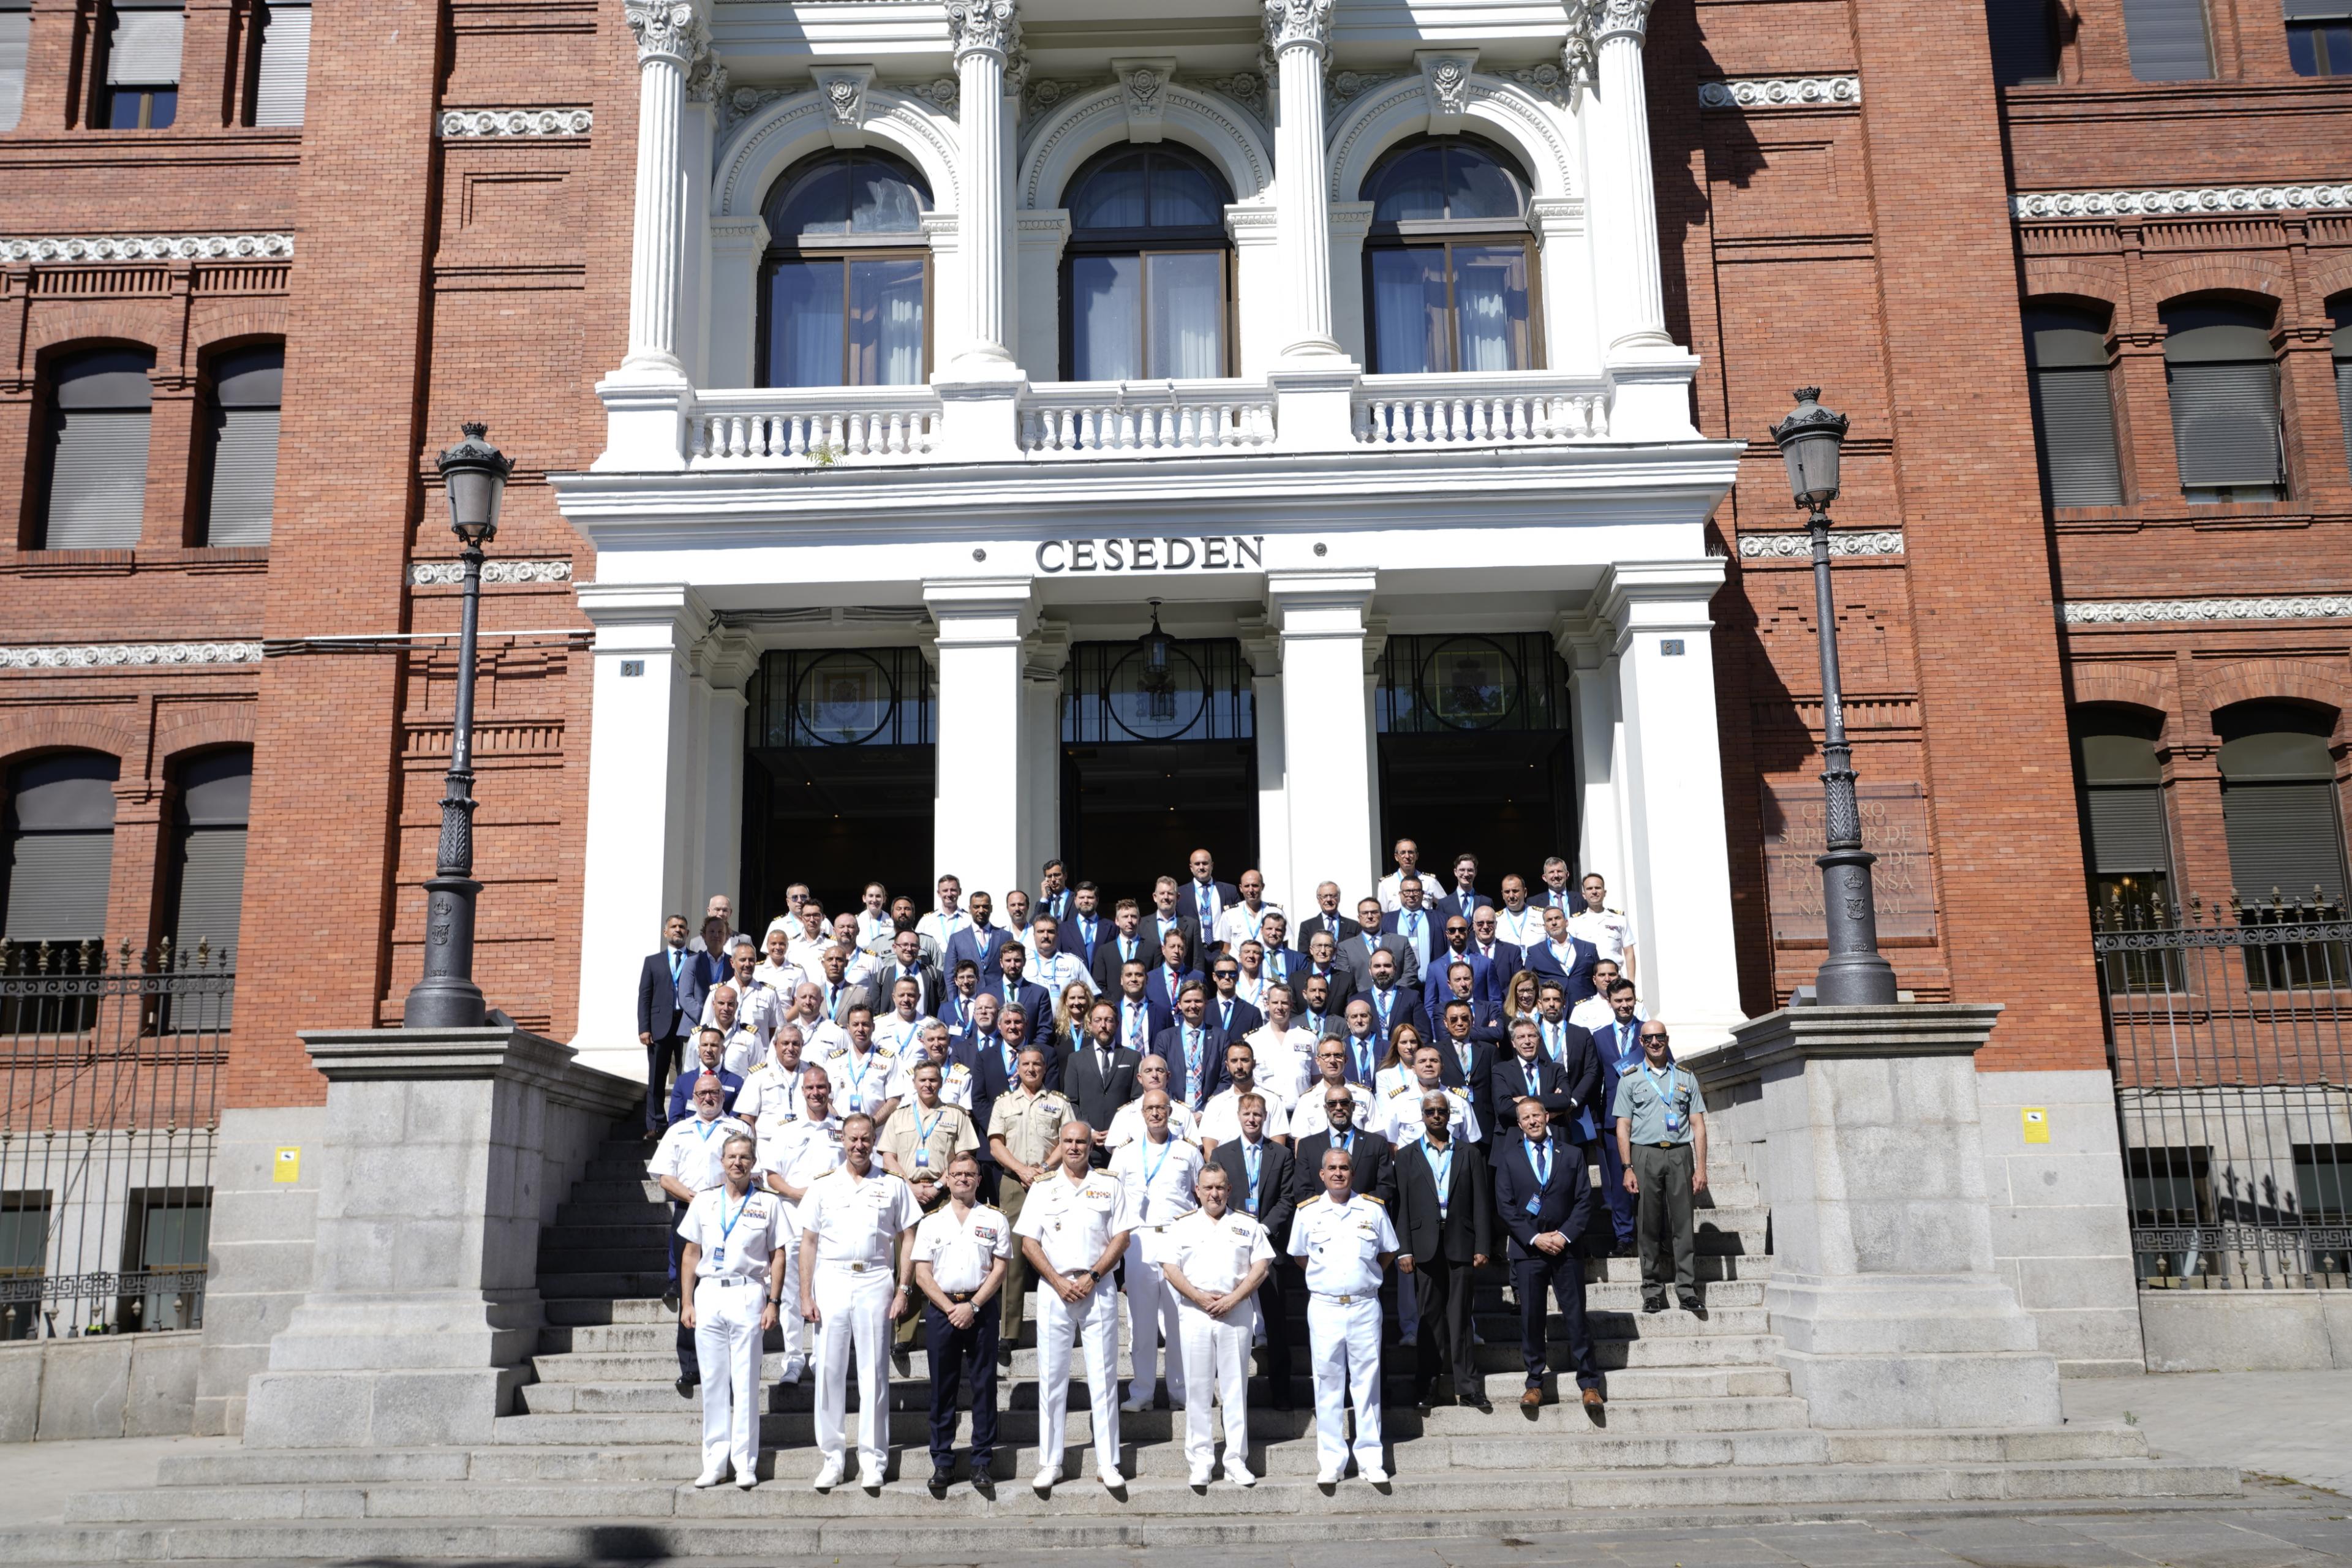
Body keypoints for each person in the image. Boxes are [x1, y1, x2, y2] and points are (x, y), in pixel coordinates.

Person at [797, 1111, 921, 1493]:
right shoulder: (823, 1186)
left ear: (874, 1140)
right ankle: (833, 1458)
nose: (859, 1145)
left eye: (866, 1138)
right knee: (829, 1372)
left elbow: (910, 1236)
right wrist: (805, 1294)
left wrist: (904, 1289)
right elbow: (809, 1242)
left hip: (875, 1278)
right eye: (852, 1139)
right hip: (832, 1279)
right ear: (842, 1140)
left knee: (874, 1374)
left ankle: (873, 1459)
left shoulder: (893, 1185)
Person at [1014, 1120, 1136, 1496]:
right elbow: (1029, 1243)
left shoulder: (1109, 1185)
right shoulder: (1042, 1187)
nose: (1074, 1147)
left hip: (1097, 1287)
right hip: (1055, 1289)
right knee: (1052, 1379)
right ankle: (1050, 1462)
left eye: (1081, 1141)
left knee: (1104, 1377)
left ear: (1090, 1146)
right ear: (1060, 1144)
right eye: (1067, 1141)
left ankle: (1108, 1462)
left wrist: (1094, 1276)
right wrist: (1057, 1280)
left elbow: (1122, 1237)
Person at [676, 1131, 782, 1488]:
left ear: (753, 1163)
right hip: (709, 1293)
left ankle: (745, 1462)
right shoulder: (704, 1201)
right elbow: (691, 1254)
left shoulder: (768, 1204)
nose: (738, 1163)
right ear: (722, 1162)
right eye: (732, 1157)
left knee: (746, 1382)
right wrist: (687, 1301)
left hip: (747, 1292)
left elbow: (778, 1255)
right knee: (713, 1382)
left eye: (744, 1157)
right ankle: (714, 1461)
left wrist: (774, 1301)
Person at [1161, 1163, 1275, 1487]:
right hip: (1196, 1314)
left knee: (1235, 1389)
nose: (1214, 1194)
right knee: (1197, 1389)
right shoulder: (1182, 1226)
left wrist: (1233, 1299)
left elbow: (1261, 1267)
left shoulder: (1247, 1225)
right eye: (1208, 1187)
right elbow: (1170, 1268)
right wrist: (1199, 1297)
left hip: (1235, 1313)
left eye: (1220, 1187)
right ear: (1197, 1190)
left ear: (1229, 1190)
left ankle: (1236, 1460)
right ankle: (1200, 1461)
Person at [1291, 1144, 1398, 1485]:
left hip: (1365, 1306)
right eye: (1333, 1169)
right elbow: (1300, 1256)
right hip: (1325, 1307)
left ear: (1353, 1173)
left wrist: (1364, 1278)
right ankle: (1331, 1461)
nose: (1339, 1173)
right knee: (1327, 1384)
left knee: (1367, 1383)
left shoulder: (1373, 1210)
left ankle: (1370, 1459)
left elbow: (1387, 1252)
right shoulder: (1308, 1212)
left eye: (1345, 1168)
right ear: (1322, 1175)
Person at [1494, 1095, 1605, 1416]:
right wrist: (1535, 1238)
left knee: (1576, 1316)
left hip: (1566, 1248)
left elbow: (1584, 1200)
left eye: (1536, 1115)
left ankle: (1589, 1383)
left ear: (1546, 1116)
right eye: (1525, 1118)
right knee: (1531, 1319)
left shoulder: (1571, 1154)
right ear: (1519, 1124)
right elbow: (1505, 1206)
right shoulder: (1509, 1158)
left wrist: (1564, 1235)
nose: (1532, 1121)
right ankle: (1534, 1383)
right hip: (1529, 1250)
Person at [911, 1149, 1012, 1498]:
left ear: (979, 1180)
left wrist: (973, 1305)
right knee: (943, 1388)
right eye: (957, 1174)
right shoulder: (931, 1222)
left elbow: (1001, 1268)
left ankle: (982, 1461)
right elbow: (922, 1274)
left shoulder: (994, 1219)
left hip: (981, 1308)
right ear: (948, 1179)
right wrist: (951, 1308)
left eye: (969, 1174)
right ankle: (942, 1461)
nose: (963, 1179)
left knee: (984, 1386)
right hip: (943, 1311)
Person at [649, 1074, 753, 1390]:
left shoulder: (739, 1129)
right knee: (689, 1287)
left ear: (723, 1095)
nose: (708, 1098)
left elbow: (752, 1170)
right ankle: (691, 1365)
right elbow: (664, 1176)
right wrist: (695, 1199)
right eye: (702, 1093)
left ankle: (732, 1364)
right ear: (693, 1098)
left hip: (731, 1212)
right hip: (690, 1210)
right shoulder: (678, 1130)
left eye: (714, 1093)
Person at [1393, 1089, 1492, 1414]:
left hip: (1461, 1242)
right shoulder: (1406, 1156)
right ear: (1422, 1116)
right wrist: (1404, 1250)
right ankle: (1427, 1387)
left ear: (1450, 1115)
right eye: (1430, 1111)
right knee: (1428, 1319)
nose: (1436, 1116)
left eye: (1441, 1111)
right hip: (1423, 1247)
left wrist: (1482, 1245)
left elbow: (1481, 1201)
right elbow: (1401, 1207)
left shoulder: (1469, 1153)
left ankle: (1468, 1387)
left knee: (1461, 1318)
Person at [877, 1059, 981, 1366]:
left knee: (943, 1262)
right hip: (907, 1194)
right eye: (922, 1080)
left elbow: (964, 1157)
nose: (928, 1085)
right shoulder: (899, 1116)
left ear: (941, 1082)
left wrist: (938, 1185)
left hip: (944, 1194)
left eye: (933, 1080)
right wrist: (910, 1186)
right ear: (914, 1083)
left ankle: (950, 1323)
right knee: (907, 1262)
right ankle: (905, 1335)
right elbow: (888, 1156)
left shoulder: (955, 1115)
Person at [1109, 1088, 1204, 1413]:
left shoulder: (1188, 1151)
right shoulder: (1125, 1153)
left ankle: (1181, 1393)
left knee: (1179, 1320)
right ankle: (1142, 1393)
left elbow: (1200, 1194)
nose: (1155, 1114)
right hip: (1140, 1240)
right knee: (1142, 1322)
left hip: (1177, 1238)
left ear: (1170, 1112)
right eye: (1149, 1109)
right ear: (1142, 1113)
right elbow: (1113, 1198)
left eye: (1161, 1108)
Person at [1206, 1091, 1297, 1408]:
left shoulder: (1281, 1154)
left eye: (1257, 1114)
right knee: (1231, 1319)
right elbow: (1218, 1198)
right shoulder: (1222, 1153)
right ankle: (1231, 1396)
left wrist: (1264, 1228)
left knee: (1277, 1324)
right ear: (1239, 1117)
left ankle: (1281, 1393)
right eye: (1247, 1114)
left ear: (1265, 1117)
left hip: (1270, 1245)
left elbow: (1288, 1198)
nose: (1252, 1119)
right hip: (1234, 1245)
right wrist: (1242, 1230)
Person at [1614, 1020, 1710, 1317]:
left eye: (1660, 1037)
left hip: (1680, 1153)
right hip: (1645, 1154)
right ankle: (1652, 1291)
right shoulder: (1629, 1079)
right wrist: (1628, 1167)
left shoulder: (1685, 1076)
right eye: (1649, 1039)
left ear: (1667, 1039)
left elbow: (1698, 1125)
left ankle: (1687, 1290)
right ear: (1641, 1043)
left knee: (1683, 1223)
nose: (1655, 1043)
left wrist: (1701, 1168)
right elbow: (1623, 1126)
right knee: (1648, 1225)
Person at [984, 1044, 1071, 1368]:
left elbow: (1068, 1141)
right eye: (1025, 1064)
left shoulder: (1059, 1103)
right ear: (1017, 1069)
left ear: (1045, 1068)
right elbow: (996, 1145)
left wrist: (1044, 1169)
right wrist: (1021, 1170)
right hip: (1014, 1183)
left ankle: (1065, 1323)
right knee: (1013, 1257)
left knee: (1058, 1251)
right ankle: (1009, 1334)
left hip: (1051, 1183)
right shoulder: (1004, 1104)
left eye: (1037, 1064)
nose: (1031, 1069)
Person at [755, 1066, 842, 1385]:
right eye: (810, 1088)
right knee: (792, 1294)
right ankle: (793, 1360)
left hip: (832, 1224)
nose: (816, 1093)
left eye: (821, 1087)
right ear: (802, 1091)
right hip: (793, 1219)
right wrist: (799, 1194)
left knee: (825, 1293)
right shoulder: (786, 1130)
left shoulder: (842, 1129)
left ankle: (821, 1359)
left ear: (829, 1089)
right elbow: (772, 1176)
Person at [1589, 980, 1648, 1257]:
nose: (1625, 1005)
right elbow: (1594, 1080)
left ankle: (1652, 1235)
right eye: (1619, 1001)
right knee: (1619, 1180)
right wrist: (1597, 1123)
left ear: (1635, 1000)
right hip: (1613, 1120)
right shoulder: (1599, 1037)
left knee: (1650, 1180)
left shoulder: (1648, 1032)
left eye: (1629, 1000)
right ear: (1610, 1002)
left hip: (1648, 1119)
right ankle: (1624, 1236)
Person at [637, 914, 708, 1139]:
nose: (678, 930)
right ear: (665, 932)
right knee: (656, 1077)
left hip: (688, 1024)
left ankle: (686, 1119)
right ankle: (656, 1125)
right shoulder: (653, 961)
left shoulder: (698, 959)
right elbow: (645, 996)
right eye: (674, 926)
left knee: (688, 1074)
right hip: (659, 1026)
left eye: (682, 927)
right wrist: (644, 1027)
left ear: (688, 933)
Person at [1289, 1085, 1397, 1209]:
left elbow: (1386, 1186)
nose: (1339, 1108)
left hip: (1365, 1215)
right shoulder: (1307, 1146)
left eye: (1344, 1103)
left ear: (1353, 1106)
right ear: (1325, 1108)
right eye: (1332, 1104)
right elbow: (1302, 1190)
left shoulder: (1376, 1143)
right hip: (1321, 1216)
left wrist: (1358, 1208)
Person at [1065, 998, 1142, 1162]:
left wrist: (1119, 1131)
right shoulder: (1076, 1059)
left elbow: (1137, 1101)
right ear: (1090, 1024)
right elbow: (1071, 1102)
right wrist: (1088, 1131)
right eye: (1098, 1020)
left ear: (1117, 1024)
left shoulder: (1133, 1057)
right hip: (1087, 1147)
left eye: (1108, 1020)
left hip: (1123, 1146)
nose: (1103, 1025)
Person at [813, 1003, 900, 1127]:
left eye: (865, 1024)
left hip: (875, 1133)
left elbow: (894, 1100)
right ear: (848, 1028)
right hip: (841, 1133)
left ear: (873, 1027)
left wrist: (872, 1124)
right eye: (855, 1024)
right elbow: (827, 1099)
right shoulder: (834, 1060)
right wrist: (840, 1123)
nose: (860, 1029)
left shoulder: (888, 1060)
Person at [1199, 1041, 1291, 1152]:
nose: (1239, 1066)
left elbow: (1278, 1147)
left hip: (1265, 1162)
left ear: (1254, 1064)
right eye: (1234, 1061)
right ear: (1227, 1066)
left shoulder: (1272, 1100)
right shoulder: (1215, 1104)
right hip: (1225, 1162)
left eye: (1244, 1060)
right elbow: (1209, 1149)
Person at [1153, 981, 1227, 1113]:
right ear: (1179, 1005)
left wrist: (1205, 1112)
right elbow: (1159, 1078)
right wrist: (1179, 1111)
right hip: (1174, 1113)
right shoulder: (1165, 1038)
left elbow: (1226, 1079)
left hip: (1211, 1113)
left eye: (1198, 1001)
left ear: (1206, 1003)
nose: (1193, 1006)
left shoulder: (1221, 1037)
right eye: (1188, 1001)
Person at [734, 1022, 812, 1147]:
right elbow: (747, 1119)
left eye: (796, 1044)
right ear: (775, 1045)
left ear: (802, 1045)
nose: (791, 1048)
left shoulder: (812, 1073)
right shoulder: (758, 1075)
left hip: (805, 1145)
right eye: (785, 1043)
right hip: (768, 1146)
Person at [1103, 1054, 1202, 1148]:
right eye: (1148, 1071)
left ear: (1168, 1077)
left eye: (1160, 1071)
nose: (1154, 1075)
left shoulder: (1183, 1113)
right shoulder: (1125, 1114)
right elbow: (1117, 1153)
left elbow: (1194, 1151)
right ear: (1140, 1078)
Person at [1287, 1038, 1376, 1140]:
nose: (1332, 1061)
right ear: (1318, 1061)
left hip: (1358, 1150)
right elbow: (1301, 1142)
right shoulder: (1307, 1100)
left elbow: (1375, 1137)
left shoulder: (1364, 1095)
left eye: (1338, 1055)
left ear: (1346, 1060)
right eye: (1326, 1056)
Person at [1567, 872, 1636, 983]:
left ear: (1605, 893)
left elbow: (1629, 952)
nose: (1594, 892)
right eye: (1590, 889)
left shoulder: (1619, 919)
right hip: (1587, 979)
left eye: (1598, 888)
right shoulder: (1575, 922)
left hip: (1614, 978)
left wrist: (1631, 983)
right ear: (1584, 894)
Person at [666, 1028, 743, 1125]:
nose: (709, 1050)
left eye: (714, 1045)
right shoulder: (683, 1082)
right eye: (705, 1045)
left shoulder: (737, 1082)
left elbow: (736, 1121)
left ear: (723, 1049)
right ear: (699, 1049)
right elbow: (675, 1120)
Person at [1528, 905, 1602, 1005]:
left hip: (1587, 1007)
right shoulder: (1534, 952)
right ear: (1545, 927)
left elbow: (1600, 976)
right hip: (1552, 1008)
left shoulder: (1589, 948)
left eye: (1557, 918)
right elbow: (1528, 983)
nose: (1554, 923)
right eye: (1549, 920)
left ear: (1567, 922)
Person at [1341, 896, 1417, 990]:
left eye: (1374, 912)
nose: (1370, 916)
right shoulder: (1346, 948)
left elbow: (1411, 972)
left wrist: (1394, 992)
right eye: (1365, 913)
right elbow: (1344, 979)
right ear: (1359, 918)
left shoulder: (1402, 942)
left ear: (1382, 915)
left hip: (1397, 996)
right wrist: (1364, 996)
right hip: (1361, 997)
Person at [1381, 875, 1439, 976]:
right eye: (1407, 891)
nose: (1411, 895)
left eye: (1416, 891)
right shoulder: (1387, 920)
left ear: (1423, 894)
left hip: (1431, 982)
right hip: (1400, 982)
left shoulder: (1439, 919)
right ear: (1400, 894)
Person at [1090, 898, 1153, 989]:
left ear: (1139, 921)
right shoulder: (1104, 951)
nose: (1130, 920)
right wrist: (1113, 999)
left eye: (1134, 916)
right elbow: (1099, 984)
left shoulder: (1152, 949)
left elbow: (1155, 982)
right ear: (1117, 921)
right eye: (1125, 917)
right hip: (1113, 999)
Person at [1212, 869, 1276, 954]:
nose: (1251, 890)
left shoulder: (1276, 912)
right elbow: (1225, 949)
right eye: (1247, 886)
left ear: (1262, 887)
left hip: (1267, 961)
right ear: (1241, 888)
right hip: (1239, 962)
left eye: (1255, 886)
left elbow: (1283, 945)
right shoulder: (1230, 914)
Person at [1295, 881, 1362, 947]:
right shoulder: (1307, 926)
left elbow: (1359, 950)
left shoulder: (1354, 926)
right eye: (1324, 896)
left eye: (1333, 896)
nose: (1329, 900)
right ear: (1318, 900)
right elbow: (1304, 953)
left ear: (1339, 898)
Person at [1375, 837, 1422, 913]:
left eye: (1411, 852)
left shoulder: (1430, 881)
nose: (1407, 856)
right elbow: (1382, 913)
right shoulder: (1386, 883)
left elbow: (1443, 905)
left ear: (1417, 856)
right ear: (1396, 857)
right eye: (1403, 853)